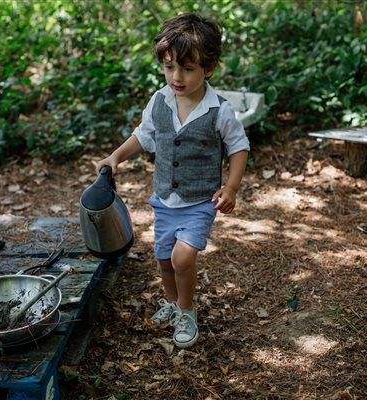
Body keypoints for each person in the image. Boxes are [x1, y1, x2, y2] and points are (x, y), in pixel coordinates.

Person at [95, 12, 250, 348]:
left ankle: (187, 310)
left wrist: (232, 186)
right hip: (164, 199)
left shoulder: (219, 110)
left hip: (199, 201)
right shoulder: (160, 101)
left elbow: (239, 147)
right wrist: (115, 157)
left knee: (182, 258)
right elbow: (143, 135)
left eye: (187, 68)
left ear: (208, 68)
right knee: (164, 259)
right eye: (169, 67)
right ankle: (171, 301)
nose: (176, 77)